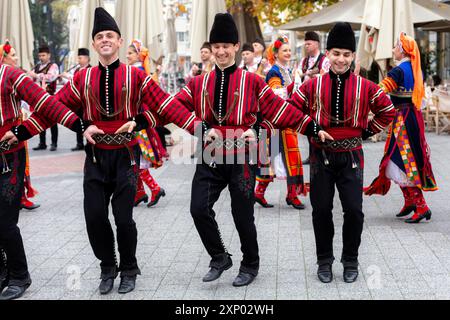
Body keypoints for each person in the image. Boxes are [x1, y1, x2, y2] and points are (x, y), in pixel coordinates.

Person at [3, 7, 199, 296]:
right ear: (94, 44)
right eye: (99, 36)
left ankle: (129, 269)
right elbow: (51, 110)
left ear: (119, 42)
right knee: (94, 216)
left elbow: (167, 106)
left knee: (123, 218)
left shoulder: (137, 77)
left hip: (126, 158)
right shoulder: (82, 79)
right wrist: (21, 132)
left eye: (110, 35)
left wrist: (197, 130)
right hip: (95, 159)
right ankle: (108, 267)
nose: (105, 40)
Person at [175, 13, 332, 287]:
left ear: (236, 47)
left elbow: (281, 111)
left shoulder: (253, 82)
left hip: (243, 155)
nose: (221, 51)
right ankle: (219, 256)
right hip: (210, 154)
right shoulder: (198, 83)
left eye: (227, 45)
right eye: (216, 46)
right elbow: (173, 107)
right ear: (211, 49)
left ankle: (250, 264)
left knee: (242, 214)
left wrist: (311, 126)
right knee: (198, 208)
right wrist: (198, 126)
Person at [289, 22, 395, 284]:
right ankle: (324, 261)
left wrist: (367, 132)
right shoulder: (313, 85)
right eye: (336, 53)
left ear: (353, 57)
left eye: (347, 54)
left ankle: (351, 260)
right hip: (320, 156)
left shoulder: (367, 87)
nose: (341, 59)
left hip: (352, 158)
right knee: (321, 209)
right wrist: (312, 129)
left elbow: (388, 111)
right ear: (328, 54)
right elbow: (291, 109)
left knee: (354, 211)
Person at [0, 42, 83, 300]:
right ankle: (3, 270)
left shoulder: (10, 75)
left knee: (4, 221)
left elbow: (46, 103)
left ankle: (19, 275)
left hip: (7, 156)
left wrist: (80, 125)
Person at [364, 33, 438, 223]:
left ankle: (421, 206)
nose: (392, 50)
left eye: (395, 46)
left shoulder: (398, 71)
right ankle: (410, 202)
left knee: (402, 159)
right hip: (412, 117)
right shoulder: (415, 69)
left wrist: (364, 91)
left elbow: (381, 90)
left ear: (403, 49)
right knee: (399, 158)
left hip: (402, 120)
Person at [255, 36, 308, 210]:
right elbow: (276, 95)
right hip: (275, 122)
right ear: (276, 53)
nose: (288, 53)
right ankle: (260, 192)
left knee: (286, 157)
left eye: (289, 50)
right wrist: (293, 87)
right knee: (271, 159)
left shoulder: (286, 70)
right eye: (284, 50)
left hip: (286, 119)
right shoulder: (273, 72)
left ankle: (291, 194)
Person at [0, 41, 41, 211]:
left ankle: (21, 195)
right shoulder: (10, 76)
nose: (16, 58)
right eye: (13, 55)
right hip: (9, 130)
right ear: (3, 58)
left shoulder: (15, 75)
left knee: (19, 166)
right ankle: (16, 197)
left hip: (16, 128)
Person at [127, 39, 167, 207]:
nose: (127, 56)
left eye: (130, 53)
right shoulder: (141, 71)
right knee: (134, 158)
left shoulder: (136, 72)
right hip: (137, 119)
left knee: (137, 157)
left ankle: (155, 188)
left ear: (138, 55)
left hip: (137, 121)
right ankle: (140, 192)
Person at [299, 31, 331, 165]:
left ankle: (325, 153)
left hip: (322, 98)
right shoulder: (303, 61)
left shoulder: (325, 59)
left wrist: (313, 76)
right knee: (308, 125)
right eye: (305, 44)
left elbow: (327, 76)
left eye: (309, 43)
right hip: (307, 98)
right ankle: (312, 155)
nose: (306, 46)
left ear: (317, 44)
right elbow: (299, 75)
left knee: (322, 126)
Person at [28, 44, 60, 152]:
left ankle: (54, 143)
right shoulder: (37, 67)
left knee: (52, 120)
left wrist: (36, 75)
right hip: (38, 98)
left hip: (50, 97)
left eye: (43, 55)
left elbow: (51, 77)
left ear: (49, 55)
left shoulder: (53, 66)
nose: (41, 57)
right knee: (40, 119)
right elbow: (31, 80)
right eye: (40, 55)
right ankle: (42, 143)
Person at [61, 48, 92, 151]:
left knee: (88, 123)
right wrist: (63, 78)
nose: (78, 60)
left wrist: (69, 76)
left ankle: (89, 143)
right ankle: (79, 143)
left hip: (88, 102)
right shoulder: (77, 70)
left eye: (80, 58)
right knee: (79, 122)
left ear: (87, 58)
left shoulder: (91, 69)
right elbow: (72, 84)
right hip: (78, 102)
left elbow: (82, 81)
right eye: (78, 58)